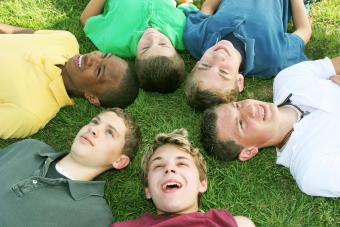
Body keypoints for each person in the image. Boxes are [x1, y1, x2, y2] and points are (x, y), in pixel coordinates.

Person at [201, 56, 340, 197]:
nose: (250, 108)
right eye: (241, 123)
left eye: (237, 106)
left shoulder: (287, 79)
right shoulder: (310, 170)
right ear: (248, 152)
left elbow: (332, 65)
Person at [0, 108, 141, 226]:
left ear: (120, 161)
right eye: (95, 122)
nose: (93, 129)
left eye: (109, 132)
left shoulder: (95, 215)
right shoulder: (30, 147)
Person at [0, 23, 139, 139]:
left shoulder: (31, 114)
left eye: (98, 71)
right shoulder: (66, 40)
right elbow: (15, 33)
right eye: (104, 55)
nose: (92, 58)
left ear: (92, 97)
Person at [183, 0, 312, 110]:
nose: (218, 58)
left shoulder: (196, 38)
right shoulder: (272, 58)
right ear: (239, 81)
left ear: (196, 64)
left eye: (205, 65)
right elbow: (304, 30)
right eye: (223, 71)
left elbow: (207, 8)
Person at [111, 128, 255, 226]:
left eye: (181, 163)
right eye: (159, 166)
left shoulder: (233, 224)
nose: (169, 168)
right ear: (148, 190)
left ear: (202, 183)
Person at [80, 0, 196, 93]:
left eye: (146, 47)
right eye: (163, 44)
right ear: (174, 48)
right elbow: (186, 4)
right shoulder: (184, 31)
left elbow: (86, 19)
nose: (153, 37)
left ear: (136, 58)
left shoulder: (115, 41)